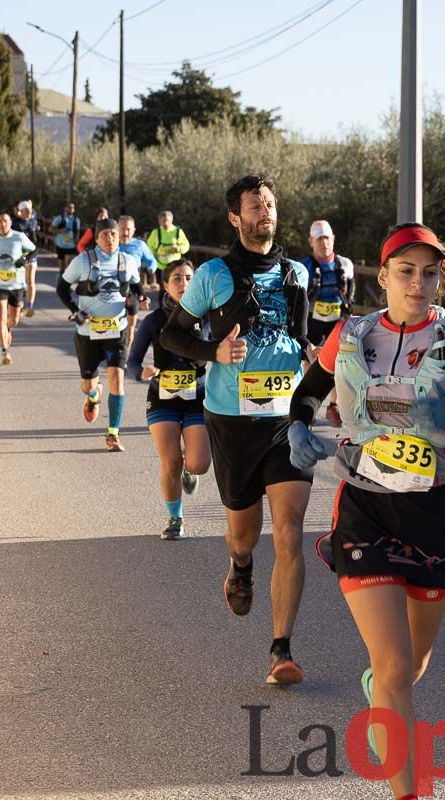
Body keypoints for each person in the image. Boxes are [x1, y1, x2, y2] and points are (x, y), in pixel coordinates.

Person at [288, 222, 445, 800]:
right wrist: (298, 426)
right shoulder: (349, 334)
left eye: (429, 272)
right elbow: (307, 394)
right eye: (405, 272)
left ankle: (381, 691)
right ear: (383, 275)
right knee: (394, 667)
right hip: (365, 508)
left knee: (410, 666)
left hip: (436, 513)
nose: (417, 284)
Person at [160, 173, 313, 685]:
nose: (265, 211)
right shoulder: (212, 276)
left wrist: (315, 364)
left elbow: (302, 337)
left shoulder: (298, 275)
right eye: (254, 205)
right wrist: (215, 352)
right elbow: (172, 336)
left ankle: (281, 650)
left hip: (285, 420)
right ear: (235, 217)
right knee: (244, 534)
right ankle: (240, 566)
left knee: (290, 532)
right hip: (232, 421)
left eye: (270, 203)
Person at [128, 259, 210, 537]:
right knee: (170, 462)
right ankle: (176, 520)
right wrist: (142, 372)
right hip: (162, 398)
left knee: (198, 463)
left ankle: (191, 469)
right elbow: (133, 361)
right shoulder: (154, 321)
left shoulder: (207, 315)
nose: (184, 284)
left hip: (198, 397)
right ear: (165, 285)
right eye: (176, 278)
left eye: (189, 278)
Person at [57, 218, 150, 452]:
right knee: (88, 384)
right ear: (96, 238)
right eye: (106, 235)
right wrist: (75, 311)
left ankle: (113, 434)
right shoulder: (82, 261)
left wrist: (142, 297)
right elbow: (61, 287)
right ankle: (93, 395)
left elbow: (137, 285)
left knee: (117, 381)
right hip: (88, 332)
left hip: (116, 330)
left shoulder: (128, 261)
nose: (111, 239)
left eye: (114, 235)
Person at [300, 219, 354, 426]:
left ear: (333, 239)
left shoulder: (345, 264)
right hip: (313, 320)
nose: (324, 243)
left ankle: (334, 406)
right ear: (311, 241)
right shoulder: (304, 267)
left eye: (327, 238)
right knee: (308, 361)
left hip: (336, 320)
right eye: (319, 239)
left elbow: (351, 292)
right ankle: (306, 405)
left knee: (338, 364)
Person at [0, 210, 37, 365]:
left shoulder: (19, 237)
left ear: (10, 223)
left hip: (17, 284)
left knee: (14, 320)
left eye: (5, 220)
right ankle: (5, 350)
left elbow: (33, 250)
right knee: (1, 317)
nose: (3, 224)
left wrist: (24, 260)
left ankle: (7, 329)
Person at [116, 214, 158, 334]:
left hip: (134, 287)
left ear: (134, 230)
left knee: (131, 325)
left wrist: (151, 269)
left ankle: (127, 350)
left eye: (128, 229)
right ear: (117, 229)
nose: (125, 232)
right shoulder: (111, 244)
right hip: (114, 287)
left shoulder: (140, 245)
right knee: (115, 324)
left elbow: (151, 261)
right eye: (122, 229)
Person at [12, 200, 42, 316]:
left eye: (30, 210)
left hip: (32, 254)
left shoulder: (33, 222)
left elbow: (35, 241)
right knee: (19, 281)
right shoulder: (15, 223)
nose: (30, 212)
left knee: (30, 281)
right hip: (18, 256)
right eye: (27, 210)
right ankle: (19, 304)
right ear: (21, 211)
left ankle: (30, 306)